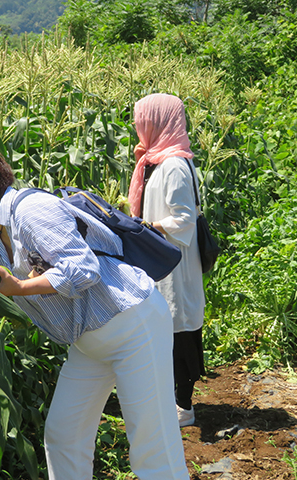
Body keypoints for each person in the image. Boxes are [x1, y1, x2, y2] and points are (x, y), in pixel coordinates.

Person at [0, 138, 190, 480]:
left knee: (151, 448)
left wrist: (20, 288)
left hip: (132, 326)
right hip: (90, 343)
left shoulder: (31, 211)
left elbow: (82, 268)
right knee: (64, 436)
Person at [128, 93, 206, 428]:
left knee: (179, 330)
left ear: (158, 122)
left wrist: (150, 226)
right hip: (161, 258)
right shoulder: (156, 160)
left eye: (142, 120)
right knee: (167, 327)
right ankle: (170, 399)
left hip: (174, 260)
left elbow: (185, 219)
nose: (137, 126)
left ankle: (183, 407)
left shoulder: (173, 165)